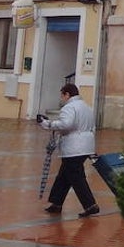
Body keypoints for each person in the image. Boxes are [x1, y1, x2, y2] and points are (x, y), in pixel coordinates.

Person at [39, 83, 100, 217]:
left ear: (67, 94)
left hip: (74, 147)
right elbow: (91, 126)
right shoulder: (86, 107)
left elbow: (66, 124)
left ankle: (90, 205)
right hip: (86, 146)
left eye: (62, 95)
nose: (61, 98)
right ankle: (56, 203)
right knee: (64, 175)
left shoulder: (69, 107)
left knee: (76, 176)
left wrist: (48, 124)